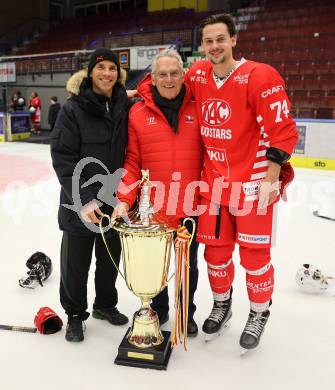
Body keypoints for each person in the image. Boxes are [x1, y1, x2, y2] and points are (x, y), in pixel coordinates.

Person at [185, 14, 298, 349]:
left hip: (253, 186)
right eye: (208, 41)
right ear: (202, 45)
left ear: (234, 40)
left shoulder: (260, 75)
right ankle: (223, 305)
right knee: (215, 255)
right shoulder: (198, 74)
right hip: (214, 186)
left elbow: (283, 130)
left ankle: (259, 311)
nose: (215, 46)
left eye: (221, 39)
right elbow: (165, 85)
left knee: (253, 257)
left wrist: (272, 176)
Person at [112, 49, 203, 337]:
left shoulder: (198, 106)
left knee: (188, 265)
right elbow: (132, 162)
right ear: (152, 77)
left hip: (191, 203)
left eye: (174, 73)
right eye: (162, 74)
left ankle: (185, 312)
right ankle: (158, 308)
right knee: (158, 264)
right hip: (156, 206)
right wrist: (125, 199)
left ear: (183, 75)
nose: (168, 79)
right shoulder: (137, 112)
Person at [50, 48, 131, 342]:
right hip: (80, 204)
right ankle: (74, 314)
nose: (107, 73)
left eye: (112, 68)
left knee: (109, 259)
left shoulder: (123, 105)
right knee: (76, 263)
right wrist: (84, 199)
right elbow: (63, 157)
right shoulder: (72, 109)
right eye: (101, 67)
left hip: (114, 201)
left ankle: (105, 305)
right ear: (90, 71)